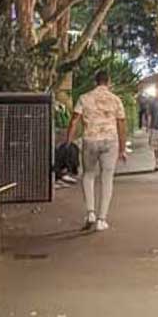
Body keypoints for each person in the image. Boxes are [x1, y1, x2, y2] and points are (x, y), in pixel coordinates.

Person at [65, 69, 127, 232]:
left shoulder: (84, 98)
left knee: (88, 175)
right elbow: (121, 124)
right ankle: (102, 219)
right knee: (107, 178)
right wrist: (122, 147)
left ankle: (90, 212)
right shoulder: (115, 100)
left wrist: (68, 141)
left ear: (95, 81)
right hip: (110, 141)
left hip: (90, 140)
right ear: (109, 82)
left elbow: (74, 121)